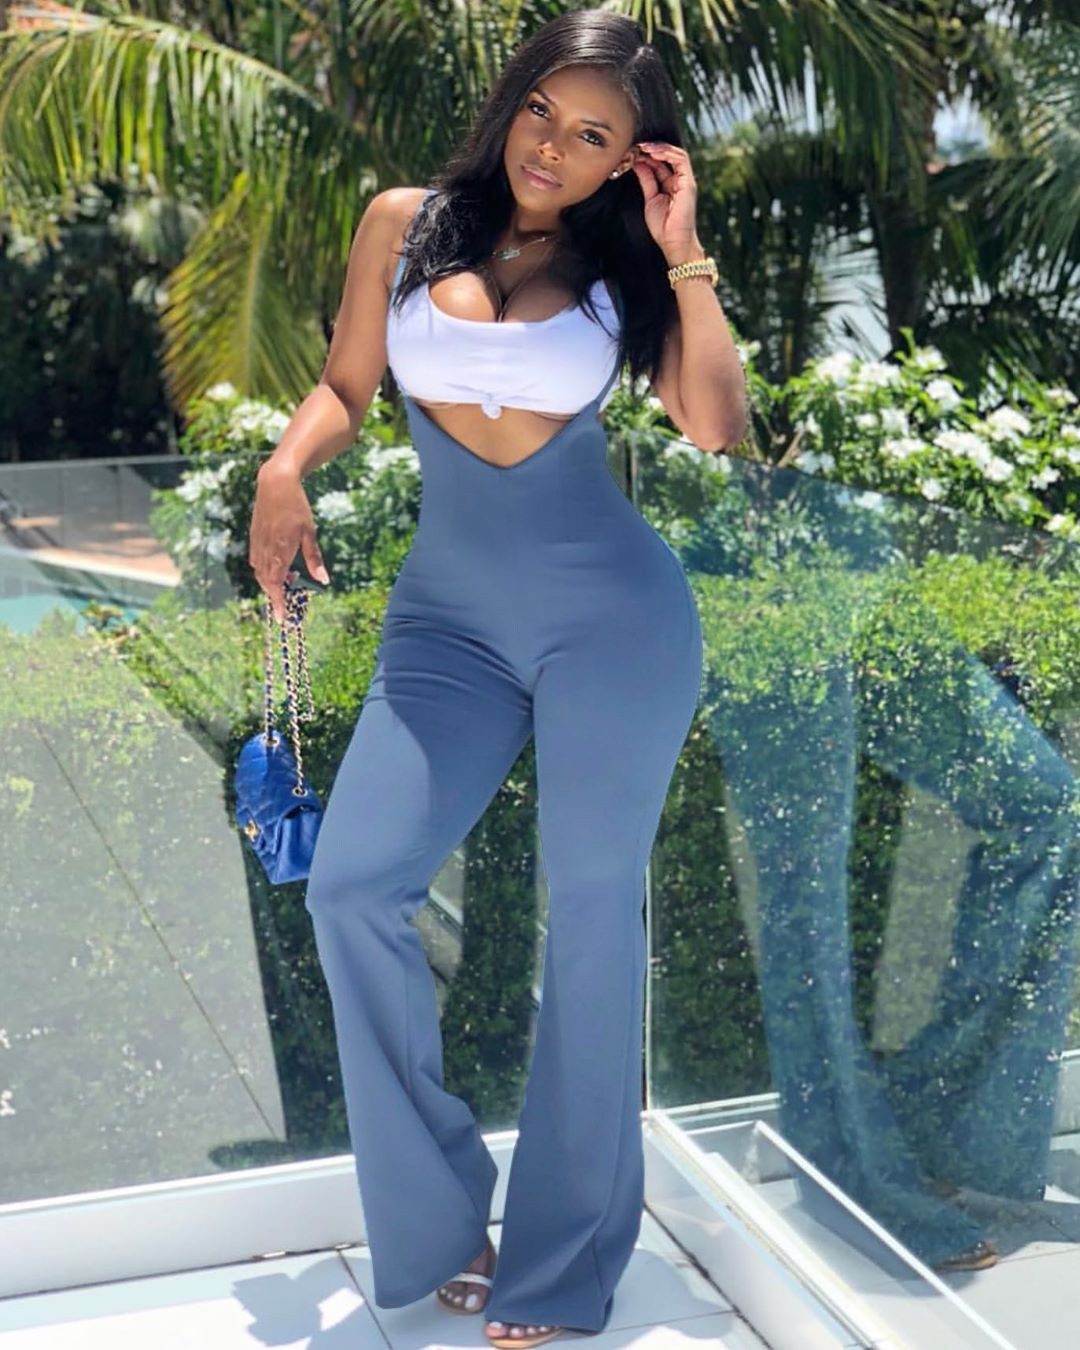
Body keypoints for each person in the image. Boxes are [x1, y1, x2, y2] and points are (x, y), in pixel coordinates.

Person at [247, 10, 747, 1345]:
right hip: (447, 627)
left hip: (615, 623)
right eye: (542, 110)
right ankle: (438, 1214)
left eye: (592, 134)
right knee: (353, 885)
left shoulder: (629, 264)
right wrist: (286, 465)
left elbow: (714, 422)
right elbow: (348, 384)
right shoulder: (403, 224)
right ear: (511, 98)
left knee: (589, 915)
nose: (553, 146)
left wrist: (683, 248)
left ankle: (563, 1263)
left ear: (624, 158)